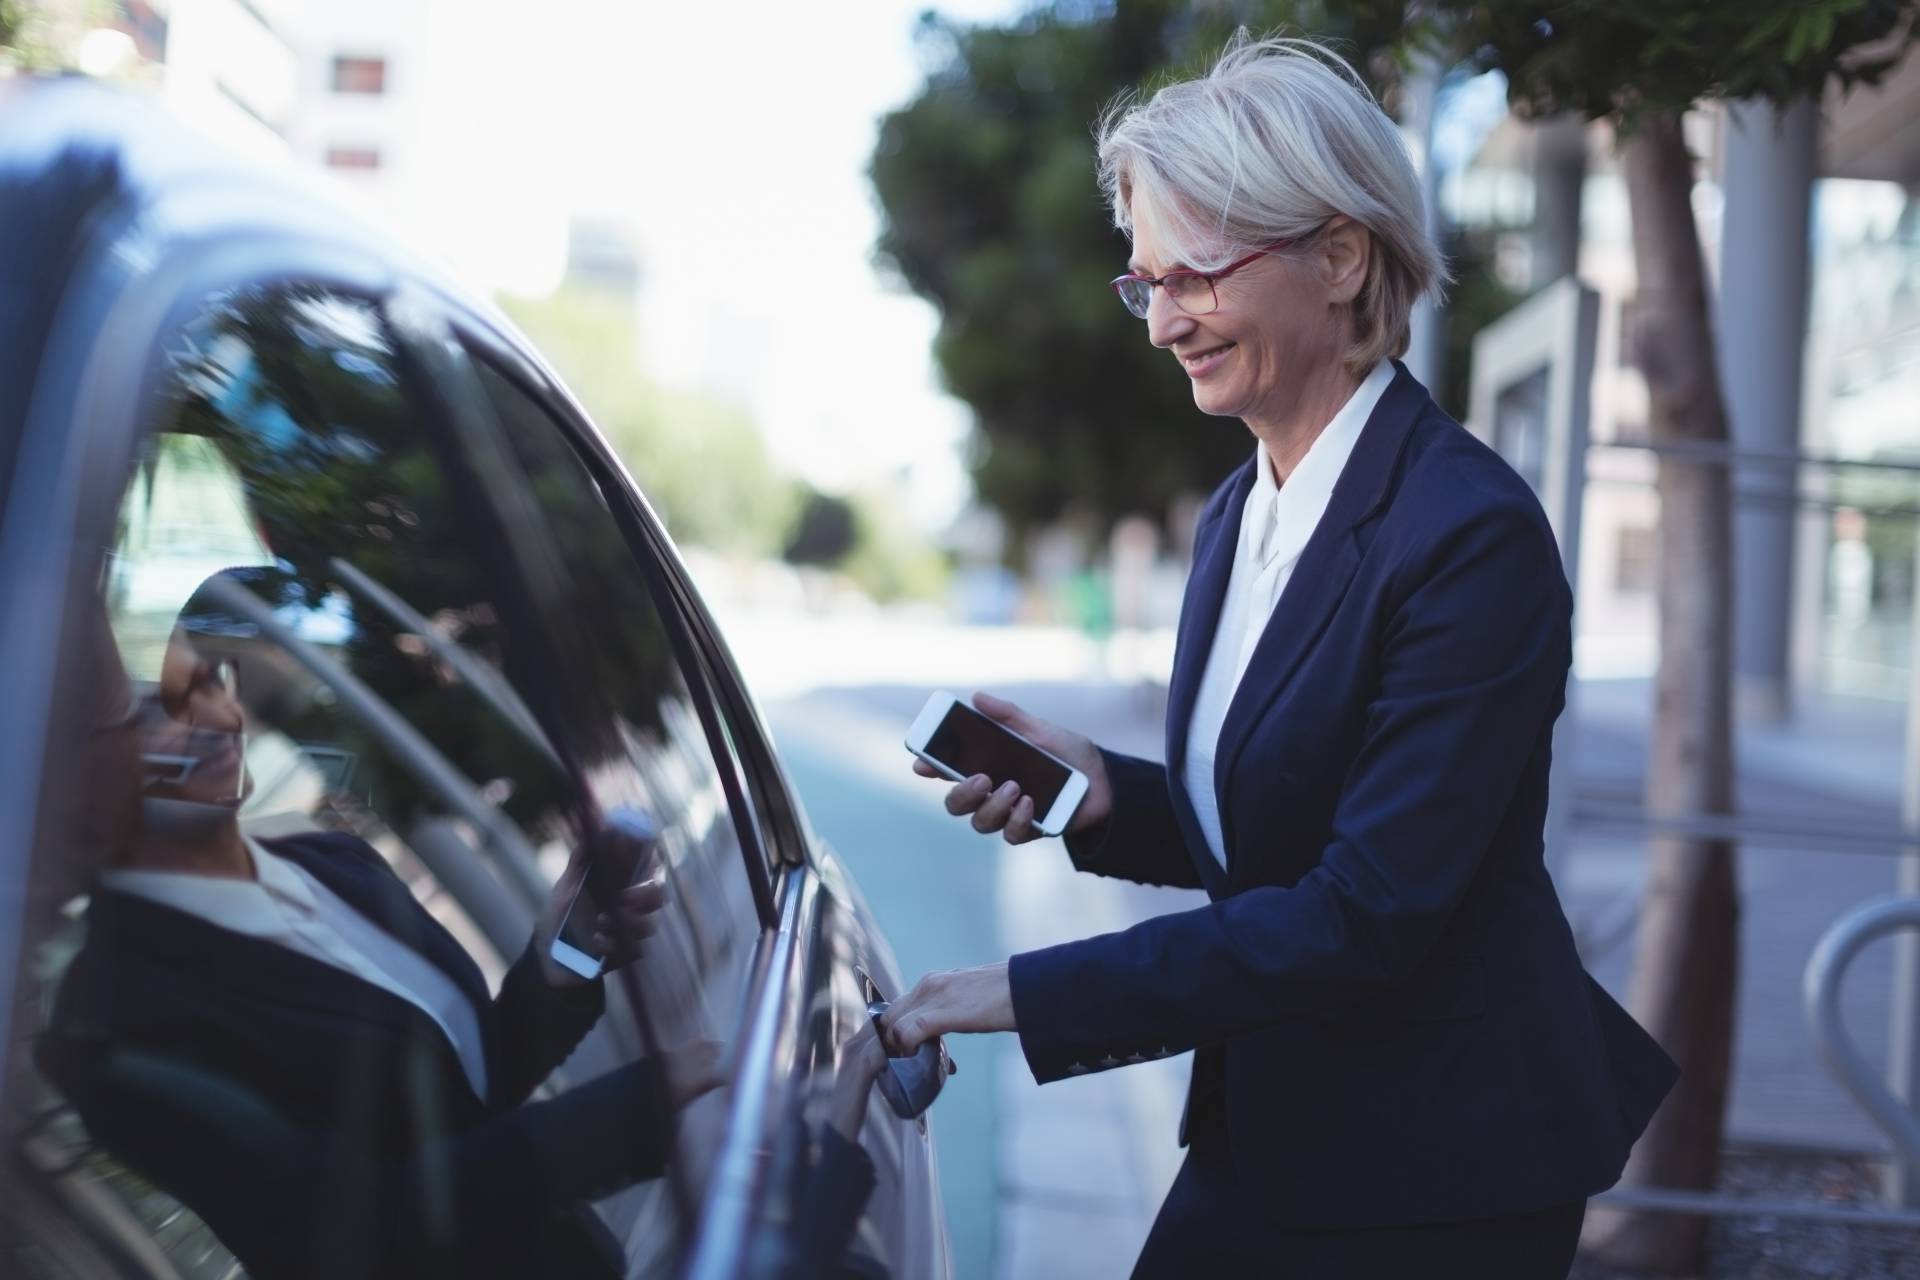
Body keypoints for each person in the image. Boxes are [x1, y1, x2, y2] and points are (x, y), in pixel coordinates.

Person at [878, 35, 1677, 1277]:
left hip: (1436, 1166)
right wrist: (1098, 787)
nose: (1164, 323)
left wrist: (1029, 991)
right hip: (1280, 1115)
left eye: (1194, 274)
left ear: (1341, 258)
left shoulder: (1468, 532)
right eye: (1145, 282)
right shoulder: (1236, 513)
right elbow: (1272, 832)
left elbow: (1364, 909)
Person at [37, 609, 722, 1280]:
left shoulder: (330, 859)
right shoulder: (110, 1020)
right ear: (58, 777)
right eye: (148, 712)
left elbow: (466, 1094)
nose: (209, 717)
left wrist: (565, 955)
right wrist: (630, 1118)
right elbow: (350, 1232)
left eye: (205, 680)